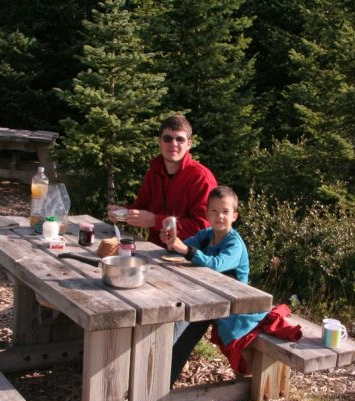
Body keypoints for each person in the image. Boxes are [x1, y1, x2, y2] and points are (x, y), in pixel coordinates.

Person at [161, 186, 268, 386]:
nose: (219, 216)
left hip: (233, 308)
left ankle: (163, 380)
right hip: (207, 296)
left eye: (225, 212)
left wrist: (184, 249)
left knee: (188, 320)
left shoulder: (234, 244)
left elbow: (216, 264)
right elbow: (183, 248)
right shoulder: (207, 235)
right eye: (214, 211)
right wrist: (172, 242)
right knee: (173, 309)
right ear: (207, 214)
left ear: (234, 216)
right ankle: (158, 366)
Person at [107, 115, 217, 246]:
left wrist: (156, 221)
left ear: (189, 144)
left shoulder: (201, 178)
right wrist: (122, 214)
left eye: (180, 139)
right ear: (160, 141)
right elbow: (141, 207)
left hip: (189, 256)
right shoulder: (153, 172)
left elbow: (204, 227)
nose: (173, 144)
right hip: (154, 250)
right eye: (167, 138)